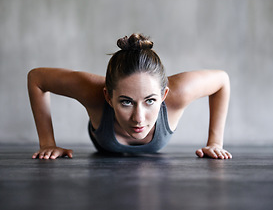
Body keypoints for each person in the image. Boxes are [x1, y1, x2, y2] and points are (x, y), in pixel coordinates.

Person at [28, 33, 232, 160]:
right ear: (108, 97)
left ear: (164, 95)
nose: (139, 118)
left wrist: (215, 142)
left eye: (150, 101)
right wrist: (47, 143)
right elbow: (36, 78)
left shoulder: (178, 93)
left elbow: (221, 81)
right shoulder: (93, 92)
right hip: (102, 141)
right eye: (126, 102)